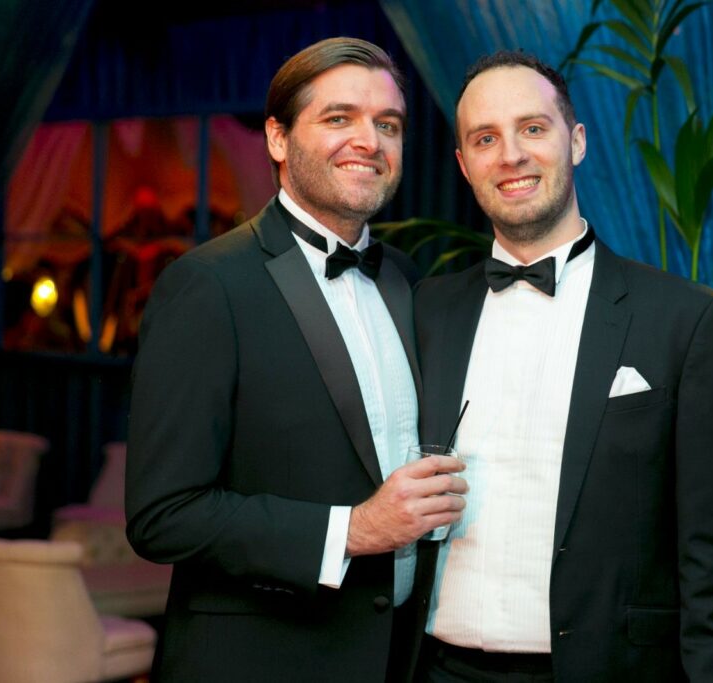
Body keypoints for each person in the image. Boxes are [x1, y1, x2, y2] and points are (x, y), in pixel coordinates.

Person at [125, 37, 466, 682]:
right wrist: (353, 530)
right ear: (278, 139)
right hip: (260, 662)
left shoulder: (403, 277)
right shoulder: (207, 285)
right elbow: (162, 517)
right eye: (339, 118)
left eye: (387, 124)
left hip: (396, 660)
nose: (369, 140)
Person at [414, 51, 713, 682]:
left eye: (533, 129)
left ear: (576, 141)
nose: (510, 154)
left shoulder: (685, 320)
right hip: (438, 670)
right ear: (463, 166)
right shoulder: (426, 311)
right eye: (485, 138)